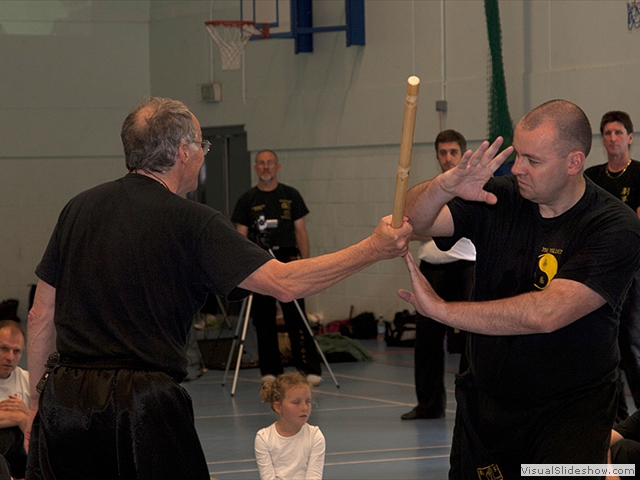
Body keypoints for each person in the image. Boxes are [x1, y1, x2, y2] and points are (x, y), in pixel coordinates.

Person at [26, 97, 412, 479]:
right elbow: (284, 282)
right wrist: (373, 249)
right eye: (201, 145)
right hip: (141, 405)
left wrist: (35, 404)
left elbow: (40, 315)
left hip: (66, 399)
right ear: (183, 152)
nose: (203, 155)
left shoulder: (78, 208)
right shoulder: (195, 222)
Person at [398, 99, 640, 478]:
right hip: (487, 407)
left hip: (569, 417)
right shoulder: (503, 197)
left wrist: (442, 310)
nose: (518, 168)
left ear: (573, 163)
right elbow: (413, 220)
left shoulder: (612, 225)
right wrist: (445, 186)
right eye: (517, 155)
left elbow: (547, 313)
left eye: (533, 160)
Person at [231, 150, 321, 386]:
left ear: (277, 167)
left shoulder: (291, 195)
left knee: (296, 316)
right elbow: (240, 237)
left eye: (270, 163)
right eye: (261, 163)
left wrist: (306, 264)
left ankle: (307, 368)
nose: (266, 167)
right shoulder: (246, 200)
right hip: (259, 264)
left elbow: (301, 231)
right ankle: (270, 370)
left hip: (289, 261)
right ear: (255, 168)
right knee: (263, 319)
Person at [401, 130, 474, 421]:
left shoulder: (471, 188)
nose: (447, 158)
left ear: (462, 154)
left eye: (452, 152)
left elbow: (458, 227)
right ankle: (429, 405)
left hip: (466, 267)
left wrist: (431, 228)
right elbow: (414, 227)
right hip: (431, 268)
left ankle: (472, 404)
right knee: (427, 338)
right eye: (442, 153)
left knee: (472, 336)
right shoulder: (430, 191)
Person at [585, 111, 640, 422]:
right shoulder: (593, 176)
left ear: (629, 138)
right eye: (607, 133)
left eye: (618, 133)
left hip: (632, 270)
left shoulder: (638, 175)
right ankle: (617, 419)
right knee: (607, 345)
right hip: (602, 271)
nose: (613, 138)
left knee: (632, 345)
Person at [255, 371, 325, 480]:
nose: (304, 408)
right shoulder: (264, 438)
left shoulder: (315, 436)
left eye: (308, 401)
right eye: (296, 402)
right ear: (278, 407)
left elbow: (314, 477)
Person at [0, 320, 29, 480]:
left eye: (16, 351)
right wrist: (17, 417)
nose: (10, 357)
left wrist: (27, 418)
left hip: (20, 457)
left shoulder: (29, 381)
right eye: (4, 349)